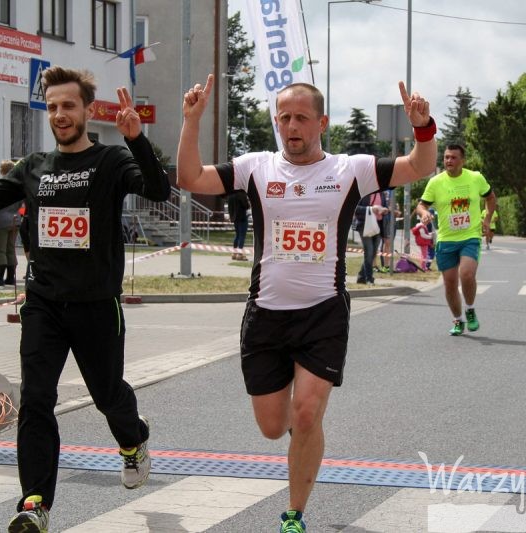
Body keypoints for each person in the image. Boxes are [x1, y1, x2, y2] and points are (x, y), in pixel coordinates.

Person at [176, 75, 437, 533]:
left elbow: (419, 166)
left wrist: (422, 128)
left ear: (322, 123)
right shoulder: (256, 167)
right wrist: (192, 122)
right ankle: (304, 436)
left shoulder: (349, 170)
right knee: (273, 427)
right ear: (276, 122)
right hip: (266, 314)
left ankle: (294, 514)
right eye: (285, 118)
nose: (292, 126)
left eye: (301, 117)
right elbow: (190, 178)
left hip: (323, 313)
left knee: (306, 412)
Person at [0, 65, 170, 533]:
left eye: (69, 106)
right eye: (53, 106)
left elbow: (158, 190)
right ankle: (34, 503)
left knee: (107, 395)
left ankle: (133, 438)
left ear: (86, 111)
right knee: (36, 400)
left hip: (96, 304)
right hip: (43, 304)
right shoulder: (33, 167)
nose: (60, 114)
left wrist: (137, 140)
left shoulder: (111, 160)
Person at [415, 143, 496, 336]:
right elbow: (421, 205)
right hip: (446, 239)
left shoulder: (475, 178)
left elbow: (490, 197)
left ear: (462, 161)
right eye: (446, 157)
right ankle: (458, 320)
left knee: (466, 274)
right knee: (450, 283)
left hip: (470, 236)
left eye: (453, 157)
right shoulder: (436, 182)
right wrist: (424, 213)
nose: (448, 161)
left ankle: (470, 309)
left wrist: (487, 219)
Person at [354, 192, 388, 284]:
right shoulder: (363, 193)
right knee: (369, 252)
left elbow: (385, 207)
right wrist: (371, 209)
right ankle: (369, 278)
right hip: (364, 226)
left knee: (372, 253)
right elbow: (355, 208)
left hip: (378, 226)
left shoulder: (381, 194)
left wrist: (384, 210)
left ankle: (361, 277)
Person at [227, 190, 250, 260]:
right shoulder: (241, 194)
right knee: (242, 236)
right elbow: (246, 205)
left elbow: (229, 207)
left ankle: (234, 253)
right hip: (242, 217)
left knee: (237, 235)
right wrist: (248, 204)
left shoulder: (230, 195)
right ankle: (239, 254)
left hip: (234, 218)